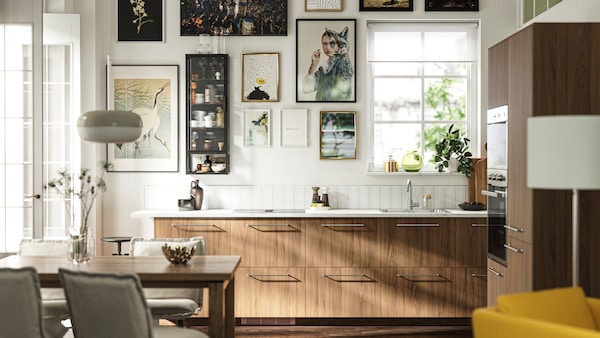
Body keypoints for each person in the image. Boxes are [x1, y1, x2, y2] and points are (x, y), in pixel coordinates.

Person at [302, 27, 353, 101]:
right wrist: (313, 66)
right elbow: (306, 89)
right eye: (325, 44)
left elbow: (343, 95)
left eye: (332, 43)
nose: (328, 47)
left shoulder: (342, 65)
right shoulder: (324, 68)